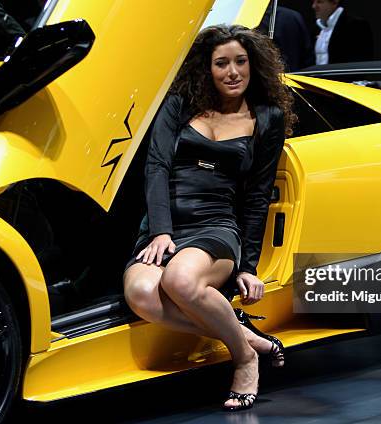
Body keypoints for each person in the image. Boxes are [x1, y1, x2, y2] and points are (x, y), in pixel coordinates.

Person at [123, 25, 297, 411]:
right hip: (163, 230)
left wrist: (248, 265)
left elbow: (256, 197)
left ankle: (245, 358)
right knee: (141, 295)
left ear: (254, 66)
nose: (232, 71)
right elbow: (156, 167)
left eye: (240, 62)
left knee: (179, 280)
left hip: (215, 227)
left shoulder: (266, 118)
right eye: (222, 63)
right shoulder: (179, 105)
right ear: (208, 68)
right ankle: (241, 332)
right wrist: (161, 230)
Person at [311, 0, 373, 65]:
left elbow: (359, 63)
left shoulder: (355, 25)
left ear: (334, 2)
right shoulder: (317, 28)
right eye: (313, 2)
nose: (314, 6)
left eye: (319, 1)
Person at [258, 5, 315, 72]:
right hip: (299, 75)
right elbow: (308, 53)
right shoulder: (294, 15)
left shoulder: (253, 21)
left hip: (272, 76)